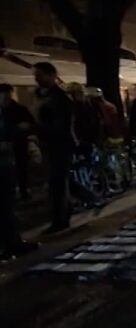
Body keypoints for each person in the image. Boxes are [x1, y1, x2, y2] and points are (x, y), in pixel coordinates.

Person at [34, 62, 76, 233]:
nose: (36, 78)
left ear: (51, 75)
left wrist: (40, 131)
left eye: (39, 75)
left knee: (57, 182)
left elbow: (61, 124)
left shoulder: (59, 98)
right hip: (52, 143)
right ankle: (64, 213)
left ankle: (60, 218)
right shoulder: (45, 96)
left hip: (59, 144)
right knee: (58, 181)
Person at [0, 84, 39, 259]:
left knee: (7, 204)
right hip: (5, 159)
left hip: (11, 157)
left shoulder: (14, 110)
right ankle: (10, 243)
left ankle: (12, 242)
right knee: (5, 204)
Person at [0, 84, 37, 200]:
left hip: (17, 143)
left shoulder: (19, 109)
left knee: (20, 168)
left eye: (7, 94)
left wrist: (24, 129)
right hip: (5, 145)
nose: (5, 97)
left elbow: (31, 125)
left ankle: (22, 190)